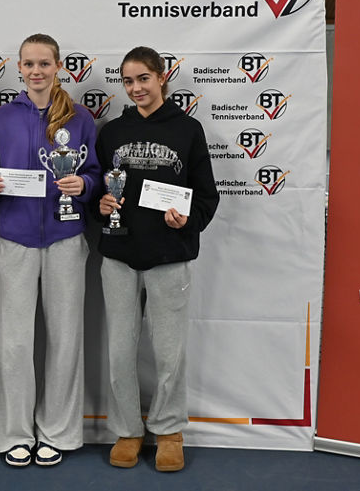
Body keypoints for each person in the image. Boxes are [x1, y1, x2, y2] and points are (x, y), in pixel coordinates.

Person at [0, 34, 99, 467]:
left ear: (58, 66)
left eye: (44, 63)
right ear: (20, 68)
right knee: (14, 341)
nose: (36, 71)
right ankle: (13, 431)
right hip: (15, 238)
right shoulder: (3, 118)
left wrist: (83, 185)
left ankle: (59, 432)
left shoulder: (80, 118)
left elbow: (96, 175)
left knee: (66, 337)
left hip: (66, 237)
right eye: (28, 64)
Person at [94, 46, 219, 473]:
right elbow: (98, 191)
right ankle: (128, 429)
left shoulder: (188, 129)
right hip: (119, 254)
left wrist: (187, 220)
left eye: (143, 79)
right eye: (128, 81)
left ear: (162, 77)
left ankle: (168, 430)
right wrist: (102, 204)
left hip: (170, 253)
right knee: (120, 349)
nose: (136, 88)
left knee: (170, 352)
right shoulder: (110, 131)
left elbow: (207, 196)